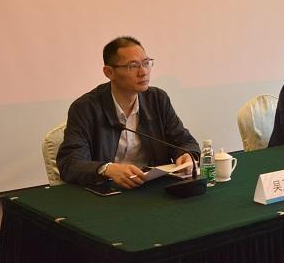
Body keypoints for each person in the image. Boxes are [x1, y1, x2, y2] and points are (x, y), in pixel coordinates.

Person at [57, 37, 199, 188]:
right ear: (109, 72)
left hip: (153, 187)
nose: (143, 72)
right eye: (133, 66)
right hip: (109, 189)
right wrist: (107, 169)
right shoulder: (85, 108)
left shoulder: (157, 99)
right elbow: (70, 163)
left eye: (146, 63)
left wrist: (186, 155)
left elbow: (185, 142)